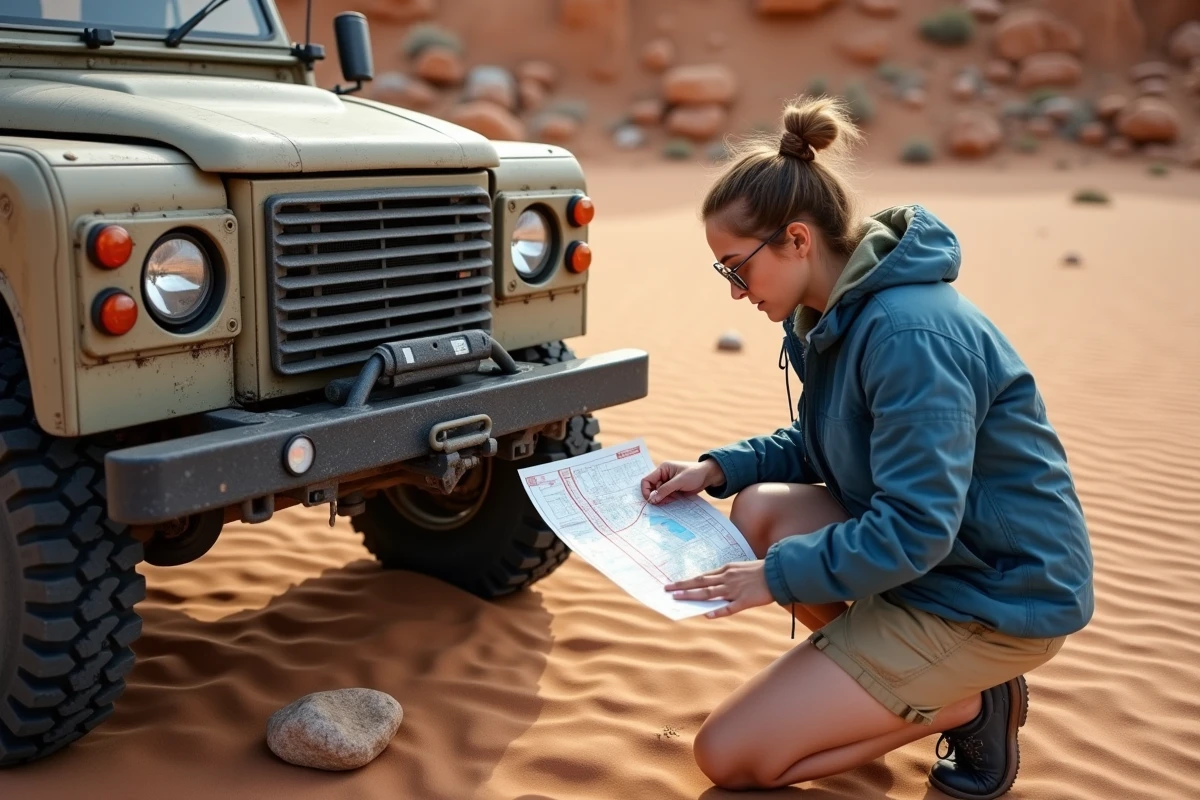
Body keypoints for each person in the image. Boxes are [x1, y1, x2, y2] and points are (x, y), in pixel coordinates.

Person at [640, 96, 1094, 799]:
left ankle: (972, 699)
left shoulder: (908, 336)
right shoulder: (830, 312)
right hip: (938, 560)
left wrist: (774, 579)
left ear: (796, 239)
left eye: (737, 268)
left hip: (992, 594)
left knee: (728, 756)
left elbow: (917, 526)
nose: (735, 292)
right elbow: (827, 441)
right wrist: (717, 467)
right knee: (759, 507)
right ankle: (878, 668)